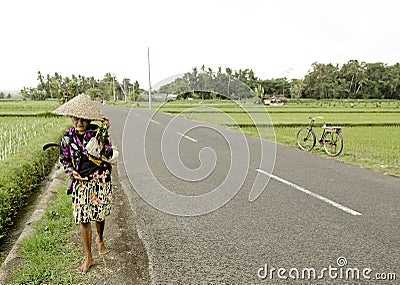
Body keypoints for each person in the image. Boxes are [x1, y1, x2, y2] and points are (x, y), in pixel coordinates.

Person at [53, 94, 114, 274]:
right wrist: (72, 172)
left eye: (82, 119)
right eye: (75, 118)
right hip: (80, 182)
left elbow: (108, 154)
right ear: (72, 118)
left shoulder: (96, 133)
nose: (79, 122)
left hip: (99, 179)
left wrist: (104, 133)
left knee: (99, 215)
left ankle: (100, 239)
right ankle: (89, 257)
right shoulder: (67, 138)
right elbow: (64, 159)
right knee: (83, 218)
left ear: (88, 119)